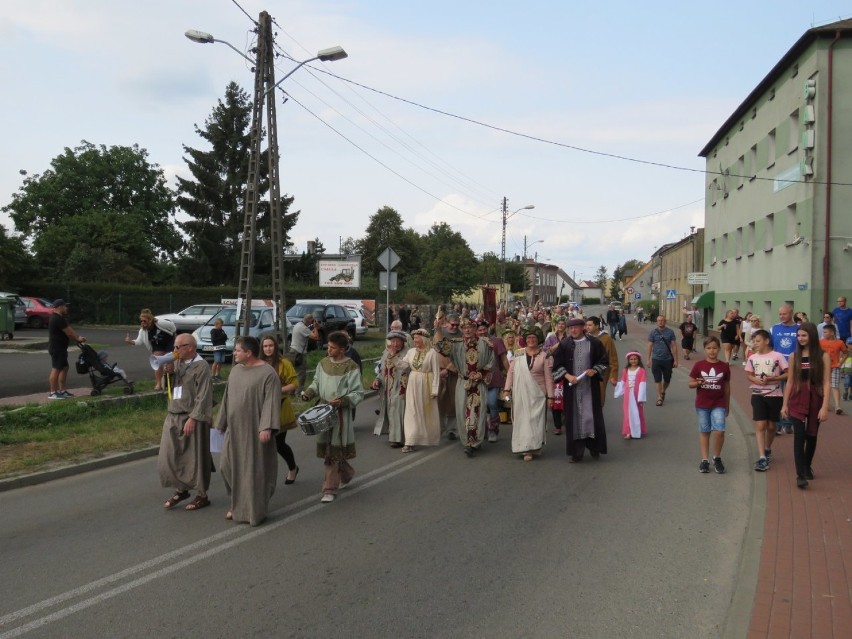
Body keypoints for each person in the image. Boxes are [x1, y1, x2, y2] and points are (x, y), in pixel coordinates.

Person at [215, 336, 281, 526]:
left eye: (237, 350)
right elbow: (228, 397)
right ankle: (238, 502)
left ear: (248, 353)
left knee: (253, 470)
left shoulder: (268, 373)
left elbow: (271, 400)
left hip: (255, 429)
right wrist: (221, 422)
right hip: (234, 428)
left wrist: (266, 426)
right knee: (226, 466)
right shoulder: (235, 371)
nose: (234, 353)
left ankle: (253, 509)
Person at [302, 331, 364, 503]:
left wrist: (343, 401)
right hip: (323, 410)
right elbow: (316, 382)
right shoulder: (323, 363)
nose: (328, 350)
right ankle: (347, 473)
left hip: (340, 413)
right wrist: (309, 392)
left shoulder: (351, 367)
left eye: (332, 348)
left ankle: (329, 489)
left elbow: (358, 392)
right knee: (331, 449)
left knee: (332, 451)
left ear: (342, 349)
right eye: (328, 346)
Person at [159, 334, 214, 511]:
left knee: (196, 458)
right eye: (174, 347)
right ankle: (181, 489)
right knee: (169, 456)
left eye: (178, 347)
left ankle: (201, 494)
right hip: (173, 414)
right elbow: (165, 387)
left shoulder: (202, 366)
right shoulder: (176, 363)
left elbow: (204, 395)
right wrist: (167, 373)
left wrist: (194, 418)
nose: (174, 351)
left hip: (192, 417)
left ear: (190, 347)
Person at [781, 323, 831, 489]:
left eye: (804, 335)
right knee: (799, 437)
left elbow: (826, 382)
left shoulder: (822, 356)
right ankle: (800, 475)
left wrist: (825, 407)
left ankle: (806, 465)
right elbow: (789, 381)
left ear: (812, 336)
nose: (801, 339)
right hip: (796, 400)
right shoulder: (795, 356)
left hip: (815, 400)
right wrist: (784, 404)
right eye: (799, 335)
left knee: (812, 435)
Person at [434, 317, 494, 457]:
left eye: (470, 327)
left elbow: (491, 362)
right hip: (463, 383)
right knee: (462, 412)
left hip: (478, 384)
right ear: (462, 329)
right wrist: (438, 330)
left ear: (474, 329)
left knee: (477, 412)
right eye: (464, 328)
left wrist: (481, 374)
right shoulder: (456, 344)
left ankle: (475, 442)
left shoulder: (485, 344)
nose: (467, 330)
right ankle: (467, 440)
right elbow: (442, 349)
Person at [552, 318, 609, 462]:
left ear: (583, 328)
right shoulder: (564, 345)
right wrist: (568, 376)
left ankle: (594, 448)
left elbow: (603, 361)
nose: (573, 330)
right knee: (574, 419)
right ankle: (576, 453)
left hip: (590, 388)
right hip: (572, 390)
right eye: (570, 328)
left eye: (576, 328)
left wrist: (595, 370)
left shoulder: (594, 343)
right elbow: (557, 366)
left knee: (592, 417)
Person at [503, 325, 553, 461]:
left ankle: (534, 446)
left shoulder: (545, 355)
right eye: (529, 337)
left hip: (538, 393)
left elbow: (549, 377)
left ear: (538, 339)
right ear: (525, 339)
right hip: (520, 393)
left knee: (535, 421)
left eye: (534, 337)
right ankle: (524, 448)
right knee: (522, 420)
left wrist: (550, 396)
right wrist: (506, 389)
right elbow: (511, 373)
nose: (531, 340)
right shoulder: (518, 353)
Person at [745, 329, 788, 472]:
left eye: (758, 341)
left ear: (767, 341)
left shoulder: (778, 356)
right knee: (760, 425)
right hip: (757, 394)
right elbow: (749, 375)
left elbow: (787, 374)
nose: (755, 344)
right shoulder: (752, 358)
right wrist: (755, 379)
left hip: (775, 395)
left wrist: (773, 379)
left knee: (771, 426)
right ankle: (762, 456)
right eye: (754, 341)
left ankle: (768, 448)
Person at [260, 335, 300, 485]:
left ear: (275, 347)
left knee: (278, 443)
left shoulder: (283, 363)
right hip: (262, 408)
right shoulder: (258, 363)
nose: (268, 349)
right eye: (265, 346)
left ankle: (293, 468)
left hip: (280, 406)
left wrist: (279, 390)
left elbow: (294, 383)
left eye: (270, 346)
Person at [688, 336, 731, 474]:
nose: (712, 351)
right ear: (704, 349)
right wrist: (699, 383)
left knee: (719, 431)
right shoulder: (699, 365)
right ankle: (705, 460)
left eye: (714, 348)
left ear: (719, 349)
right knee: (705, 431)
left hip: (719, 403)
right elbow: (690, 383)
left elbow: (727, 387)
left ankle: (717, 457)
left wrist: (727, 404)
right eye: (708, 348)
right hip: (702, 403)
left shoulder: (724, 366)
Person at [400, 329, 441, 452]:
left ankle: (425, 437)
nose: (415, 341)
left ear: (423, 339)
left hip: (426, 383)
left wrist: (435, 389)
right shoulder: (411, 352)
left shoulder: (432, 353)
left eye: (417, 338)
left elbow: (436, 372)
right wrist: (393, 358)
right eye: (414, 338)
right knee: (411, 410)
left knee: (425, 411)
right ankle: (410, 441)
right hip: (413, 382)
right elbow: (403, 365)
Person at [372, 331, 409, 447]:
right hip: (388, 387)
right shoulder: (386, 352)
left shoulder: (408, 353)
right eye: (393, 341)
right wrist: (377, 380)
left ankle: (399, 439)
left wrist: (393, 357)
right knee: (390, 411)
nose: (395, 344)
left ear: (403, 342)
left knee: (398, 410)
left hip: (402, 386)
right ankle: (394, 436)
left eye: (398, 341)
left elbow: (405, 367)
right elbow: (382, 369)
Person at [125, 309, 175, 391]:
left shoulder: (160, 323)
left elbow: (173, 327)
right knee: (157, 362)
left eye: (144, 321)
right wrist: (130, 341)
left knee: (169, 364)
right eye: (141, 321)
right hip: (157, 346)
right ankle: (159, 383)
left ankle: (171, 383)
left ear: (150, 320)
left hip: (168, 342)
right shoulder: (143, 331)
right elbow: (139, 341)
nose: (142, 323)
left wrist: (173, 334)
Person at [477, 320, 509, 443]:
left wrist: (511, 375)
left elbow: (504, 360)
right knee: (481, 406)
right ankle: (482, 430)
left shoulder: (497, 341)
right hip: (479, 379)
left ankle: (493, 429)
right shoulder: (474, 343)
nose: (482, 332)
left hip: (494, 378)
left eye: (484, 329)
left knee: (491, 403)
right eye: (479, 330)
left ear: (488, 329)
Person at [47, 299, 85, 400]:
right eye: (64, 306)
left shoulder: (60, 318)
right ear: (59, 307)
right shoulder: (57, 318)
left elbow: (69, 329)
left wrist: (78, 337)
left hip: (61, 347)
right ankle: (53, 392)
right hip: (57, 348)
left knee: (64, 367)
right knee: (57, 368)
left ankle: (62, 390)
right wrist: (77, 339)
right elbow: (69, 333)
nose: (66, 308)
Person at [771, 304, 799, 435]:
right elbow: (770, 347)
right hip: (777, 367)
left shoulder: (799, 329)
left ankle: (788, 423)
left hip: (793, 367)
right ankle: (777, 423)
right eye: (780, 314)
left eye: (785, 314)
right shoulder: (774, 329)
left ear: (791, 313)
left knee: (790, 395)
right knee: (777, 395)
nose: (782, 316)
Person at [433, 312, 460, 440]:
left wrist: (449, 369)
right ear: (446, 323)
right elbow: (435, 349)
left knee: (452, 402)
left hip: (454, 373)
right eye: (452, 325)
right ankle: (439, 428)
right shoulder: (440, 333)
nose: (454, 327)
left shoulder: (461, 336)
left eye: (457, 325)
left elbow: (459, 356)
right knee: (439, 401)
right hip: (439, 372)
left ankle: (452, 429)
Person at [584, 317, 618, 409]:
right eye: (586, 325)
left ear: (597, 326)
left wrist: (613, 376)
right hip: (586, 372)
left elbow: (613, 358)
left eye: (590, 325)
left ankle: (597, 417)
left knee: (599, 396)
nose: (587, 327)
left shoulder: (606, 339)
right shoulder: (584, 338)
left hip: (602, 372)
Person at [647, 315, 678, 406]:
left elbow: (674, 346)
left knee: (667, 379)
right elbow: (649, 345)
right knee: (657, 379)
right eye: (659, 320)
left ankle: (663, 391)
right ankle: (659, 397)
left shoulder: (670, 332)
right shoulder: (653, 332)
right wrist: (648, 359)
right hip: (656, 359)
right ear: (657, 322)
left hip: (667, 359)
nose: (660, 322)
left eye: (662, 320)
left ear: (665, 321)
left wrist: (676, 360)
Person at [615, 352, 647, 439]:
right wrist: (616, 385)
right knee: (627, 412)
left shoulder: (641, 371)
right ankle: (628, 431)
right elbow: (623, 382)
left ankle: (638, 430)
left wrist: (641, 397)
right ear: (628, 360)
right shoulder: (625, 370)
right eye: (631, 359)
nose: (633, 361)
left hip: (636, 395)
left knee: (637, 412)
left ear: (639, 360)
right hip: (628, 395)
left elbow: (642, 383)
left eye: (635, 359)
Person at [546, 317, 569, 434]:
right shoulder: (551, 338)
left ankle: (567, 419)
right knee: (554, 397)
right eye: (559, 324)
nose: (560, 326)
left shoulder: (569, 338)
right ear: (555, 325)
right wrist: (555, 347)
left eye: (563, 324)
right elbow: (545, 352)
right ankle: (557, 425)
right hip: (552, 370)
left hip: (566, 370)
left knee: (566, 396)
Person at [819, 324, 847, 415]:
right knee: (823, 386)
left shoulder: (839, 343)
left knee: (835, 386)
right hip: (823, 367)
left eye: (825, 332)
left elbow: (846, 353)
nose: (824, 334)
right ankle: (824, 404)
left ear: (832, 333)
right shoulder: (821, 342)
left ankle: (838, 406)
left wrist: (841, 362)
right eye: (823, 332)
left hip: (834, 367)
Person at [287, 314, 319, 389]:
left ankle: (291, 391)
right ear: (309, 321)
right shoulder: (304, 328)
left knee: (294, 373)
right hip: (299, 353)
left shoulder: (299, 324)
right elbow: (316, 337)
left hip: (293, 351)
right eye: (312, 321)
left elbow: (309, 333)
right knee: (301, 374)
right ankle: (298, 392)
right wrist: (315, 327)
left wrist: (314, 328)